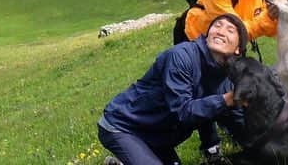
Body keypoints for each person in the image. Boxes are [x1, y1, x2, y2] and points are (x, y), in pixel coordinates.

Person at [182, 0, 279, 163]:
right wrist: (268, 19)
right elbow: (235, 31)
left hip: (231, 42)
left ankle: (244, 133)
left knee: (234, 83)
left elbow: (273, 28)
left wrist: (274, 20)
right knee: (203, 90)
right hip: (199, 38)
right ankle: (211, 147)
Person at [98, 14, 248, 165]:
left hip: (156, 136)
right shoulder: (181, 57)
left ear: (238, 49)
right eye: (217, 25)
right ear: (208, 34)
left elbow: (237, 121)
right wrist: (227, 99)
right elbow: (181, 111)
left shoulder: (227, 79)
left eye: (230, 30)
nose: (220, 31)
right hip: (125, 126)